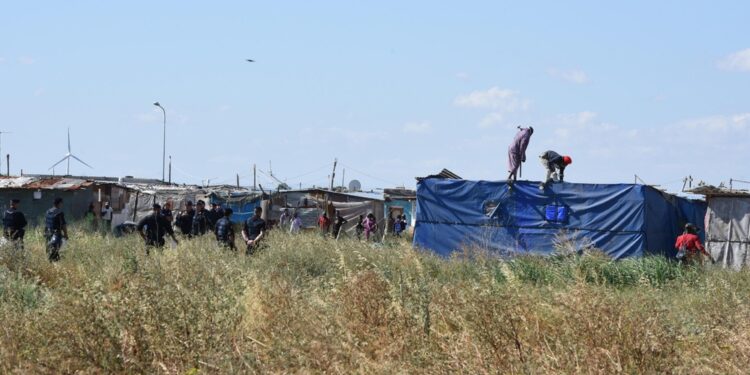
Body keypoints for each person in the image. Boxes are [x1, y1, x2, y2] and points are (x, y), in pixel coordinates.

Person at [45, 197, 68, 262]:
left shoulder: (48, 212)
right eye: (61, 203)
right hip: (56, 234)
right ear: (59, 203)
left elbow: (46, 223)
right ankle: (55, 263)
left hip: (48, 233)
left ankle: (50, 262)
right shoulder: (59, 213)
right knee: (56, 250)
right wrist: (66, 234)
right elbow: (63, 225)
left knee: (50, 249)